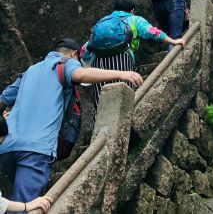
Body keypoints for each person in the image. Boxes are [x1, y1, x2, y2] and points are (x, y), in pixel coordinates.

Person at [0, 38, 143, 202]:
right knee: (26, 205)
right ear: (74, 54)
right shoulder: (65, 63)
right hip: (36, 149)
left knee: (23, 202)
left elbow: (3, 99)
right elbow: (80, 74)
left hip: (7, 149)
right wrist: (122, 74)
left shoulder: (30, 71)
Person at [81, 0, 185, 110]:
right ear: (132, 10)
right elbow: (152, 32)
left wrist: (84, 62)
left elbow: (88, 45)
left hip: (99, 63)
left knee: (100, 103)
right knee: (124, 98)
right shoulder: (134, 19)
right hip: (122, 59)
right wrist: (173, 41)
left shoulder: (103, 22)